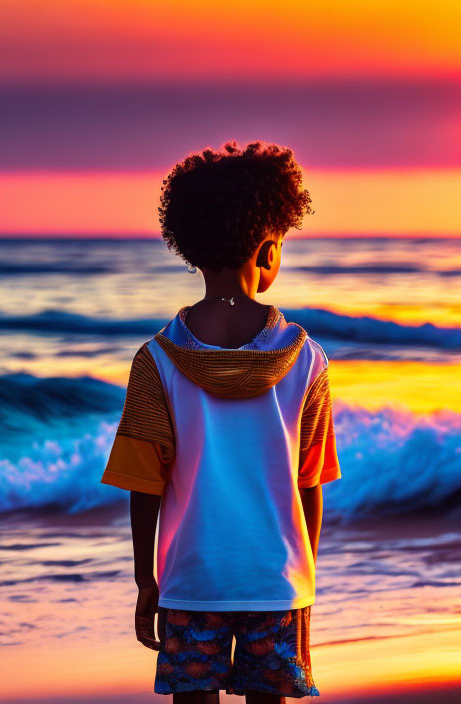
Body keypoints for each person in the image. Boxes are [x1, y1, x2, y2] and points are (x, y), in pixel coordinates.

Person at [100, 140, 342, 703]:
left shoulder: (156, 360)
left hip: (192, 580)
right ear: (267, 249)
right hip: (277, 579)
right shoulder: (307, 359)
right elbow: (310, 482)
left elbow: (145, 485)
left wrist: (145, 580)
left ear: (190, 248)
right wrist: (304, 573)